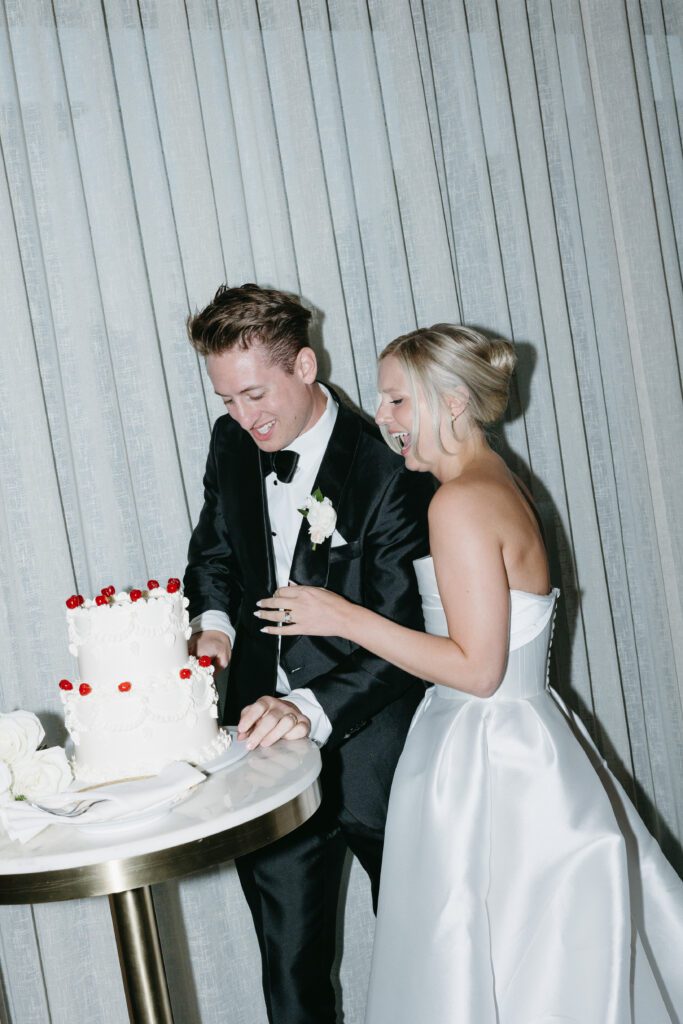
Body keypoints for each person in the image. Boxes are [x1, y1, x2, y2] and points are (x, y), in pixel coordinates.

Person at [257, 324, 683, 1023]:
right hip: (518, 738)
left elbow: (478, 670)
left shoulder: (458, 503)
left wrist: (343, 616)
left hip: (488, 757)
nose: (382, 415)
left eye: (396, 400)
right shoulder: (495, 482)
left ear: (451, 400)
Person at [183, 284, 433, 1024]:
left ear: (304, 364)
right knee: (289, 977)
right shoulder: (231, 440)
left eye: (254, 394)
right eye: (226, 400)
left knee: (423, 964)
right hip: (265, 763)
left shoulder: (388, 470)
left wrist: (307, 707)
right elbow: (215, 551)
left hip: (379, 753)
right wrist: (215, 623)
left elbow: (406, 641)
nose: (242, 417)